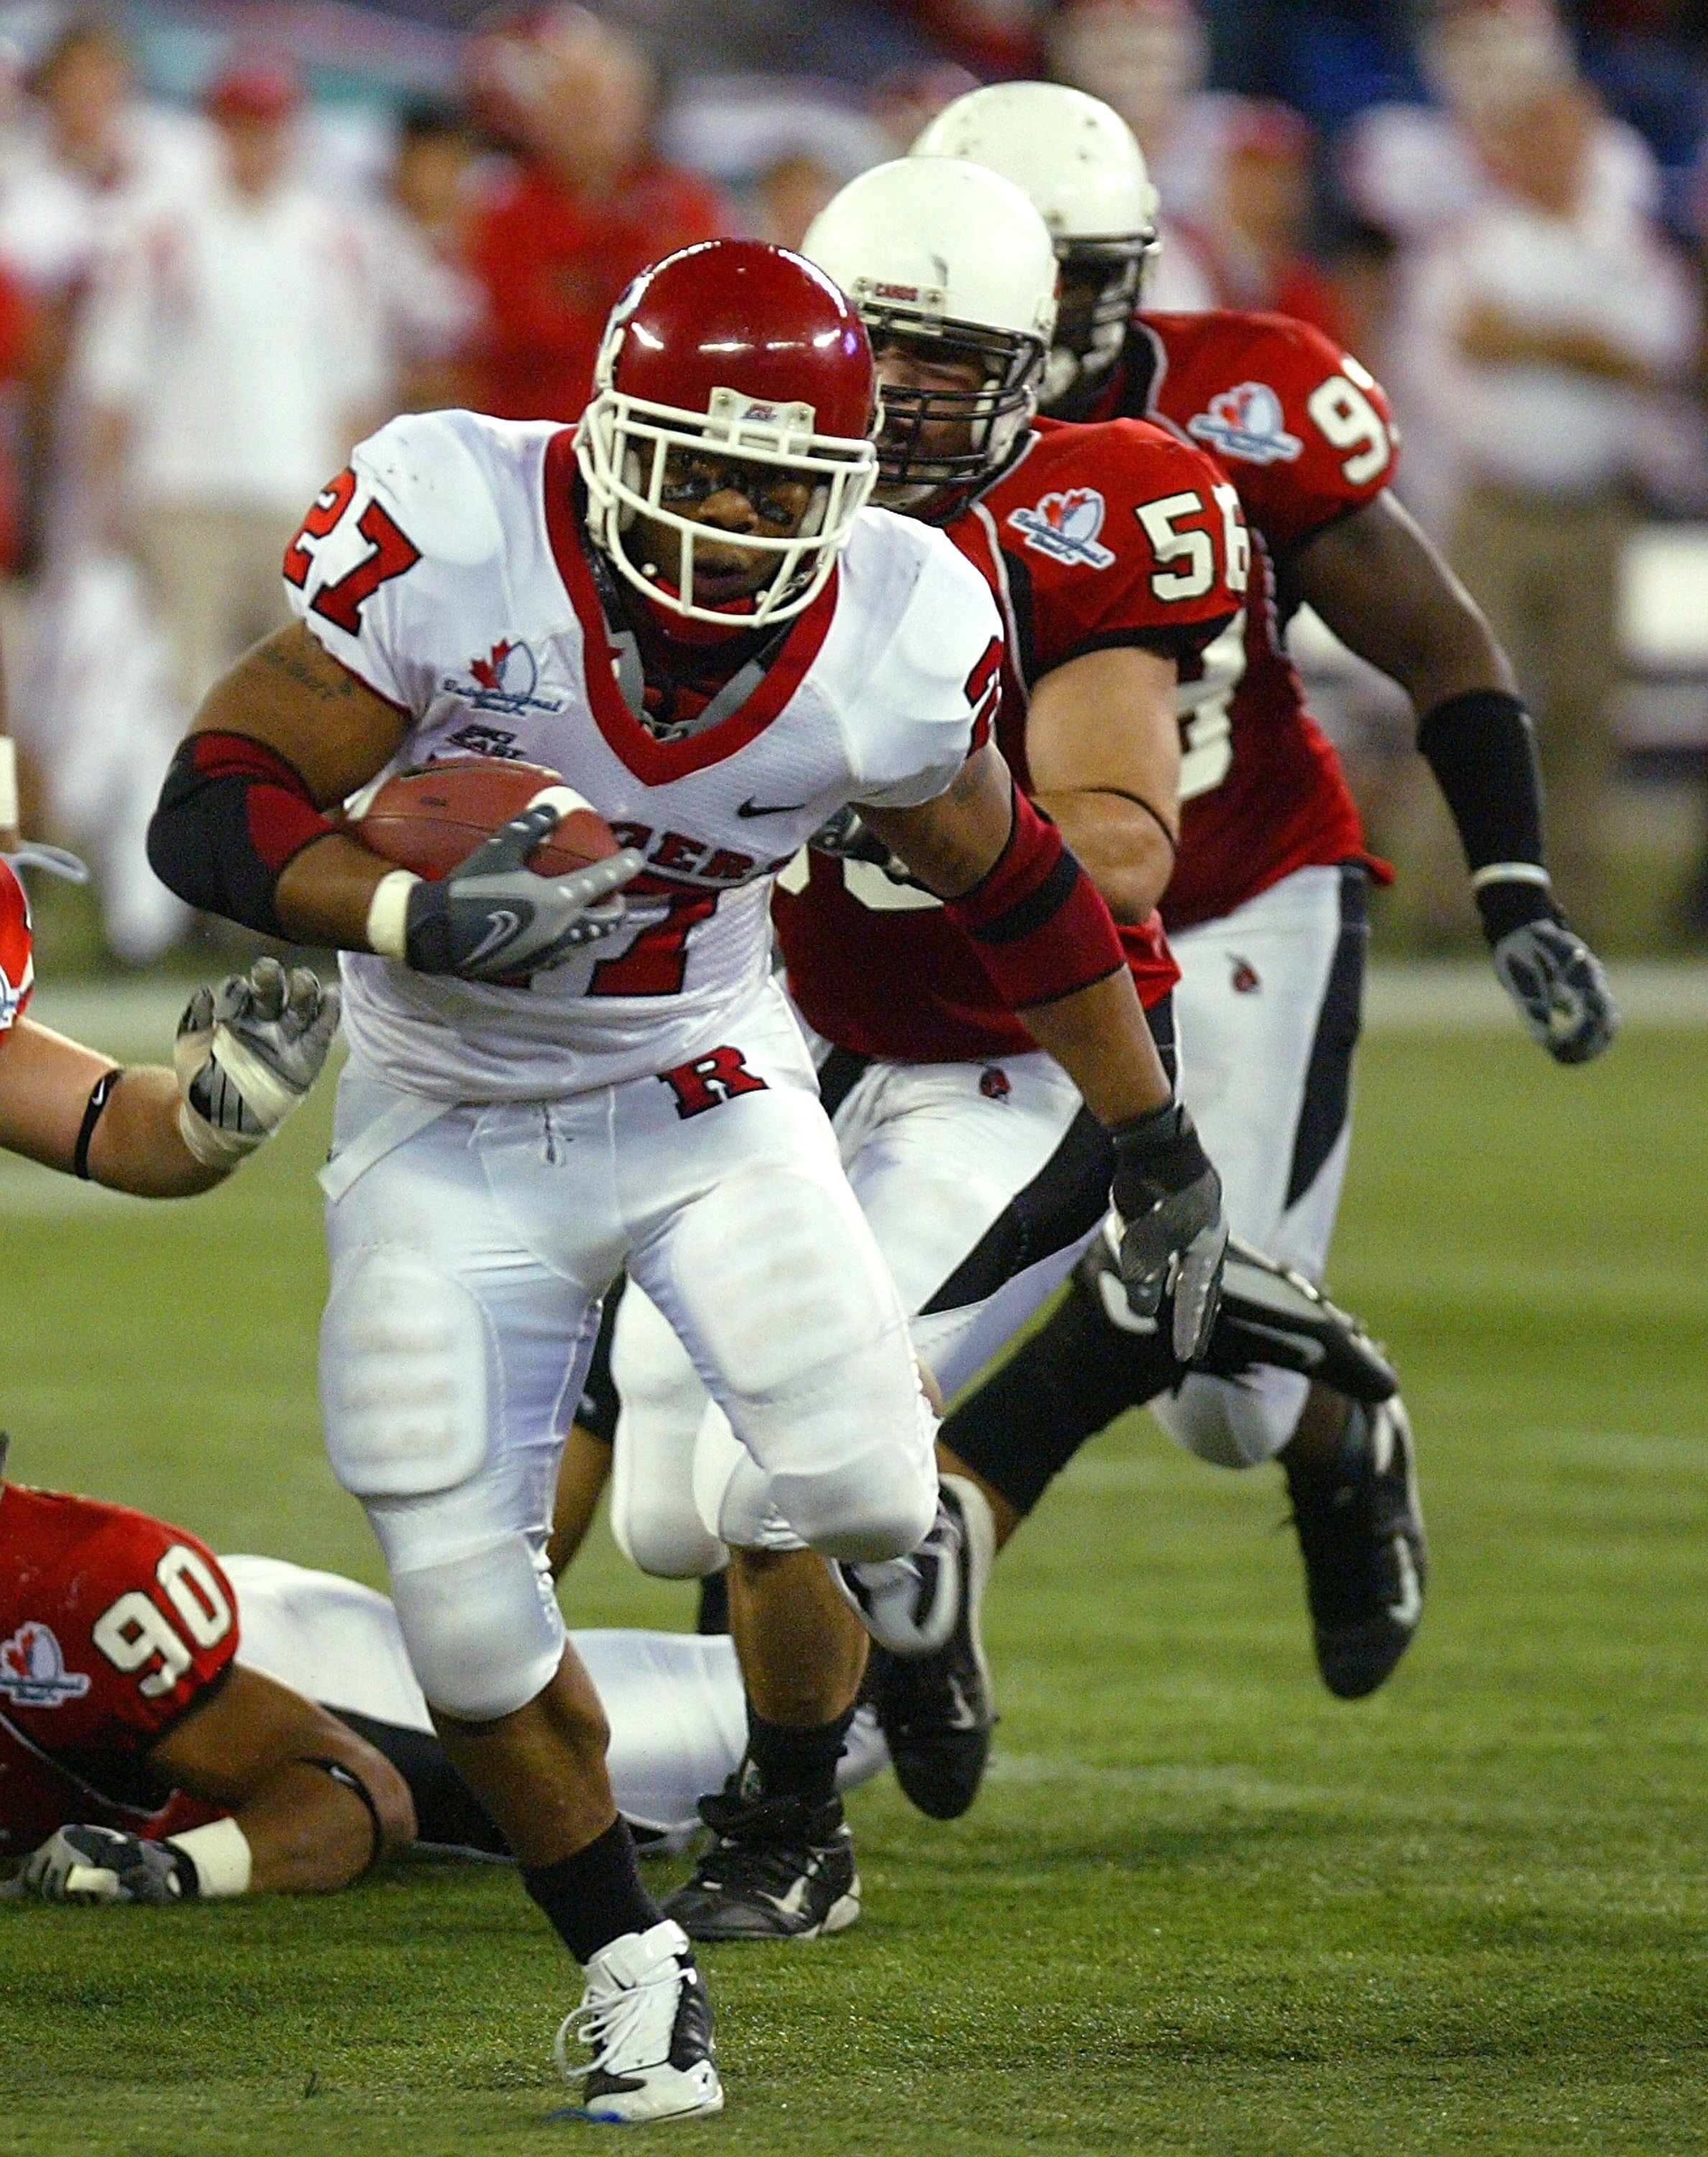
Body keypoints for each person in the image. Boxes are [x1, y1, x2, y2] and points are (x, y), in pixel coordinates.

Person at [143, 237, 1227, 2125]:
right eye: (696, 471)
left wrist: (1154, 1135)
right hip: (444, 1128)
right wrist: (411, 905)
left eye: (776, 487)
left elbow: (1020, 885)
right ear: (608, 435)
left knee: (855, 1477)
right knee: (471, 1614)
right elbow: (214, 795)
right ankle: (636, 1973)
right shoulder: (454, 515)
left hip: (705, 1084)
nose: (731, 524)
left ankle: (916, 1569)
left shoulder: (895, 614)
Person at [884, 79, 1620, 1802]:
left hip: (1230, 889)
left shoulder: (1238, 397)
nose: (1051, 316)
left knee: (1209, 1381)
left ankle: (1323, 1424)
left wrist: (1507, 874)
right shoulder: (867, 416)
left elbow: (1439, 641)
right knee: (915, 1289)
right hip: (991, 914)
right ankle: (850, 1640)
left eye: (1081, 275)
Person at [601, 156, 1244, 1928]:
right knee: (672, 1502)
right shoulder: (725, 502)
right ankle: (908, 1563)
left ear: (1030, 373)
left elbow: (1115, 845)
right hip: (799, 1045)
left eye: (935, 363)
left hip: (1007, 1061)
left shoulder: (1075, 519)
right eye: (861, 349)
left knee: (770, 1468)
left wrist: (926, 809)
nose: (885, 399)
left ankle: (793, 1823)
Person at [4, 1449, 889, 1901]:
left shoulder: (57, 1591)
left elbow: (354, 1793)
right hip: (232, 1640)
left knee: (841, 1719)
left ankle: (909, 1560)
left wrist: (173, 1870)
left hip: (342, 1690)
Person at [76, 52, 385, 725]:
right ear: (216, 130)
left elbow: (355, 392)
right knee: (183, 695)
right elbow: (113, 376)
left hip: (295, 499)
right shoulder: (162, 229)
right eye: (242, 125)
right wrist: (101, 503)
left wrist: (353, 517)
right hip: (183, 493)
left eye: (270, 126)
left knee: (298, 702)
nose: (257, 143)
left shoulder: (328, 239)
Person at [464, 5, 727, 423]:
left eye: (606, 101)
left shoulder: (684, 202)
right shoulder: (505, 206)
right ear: (540, 114)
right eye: (574, 99)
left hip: (649, 437)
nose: (591, 117)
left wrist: (584, 292)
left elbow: (695, 323)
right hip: (531, 433)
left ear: (640, 109)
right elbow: (519, 327)